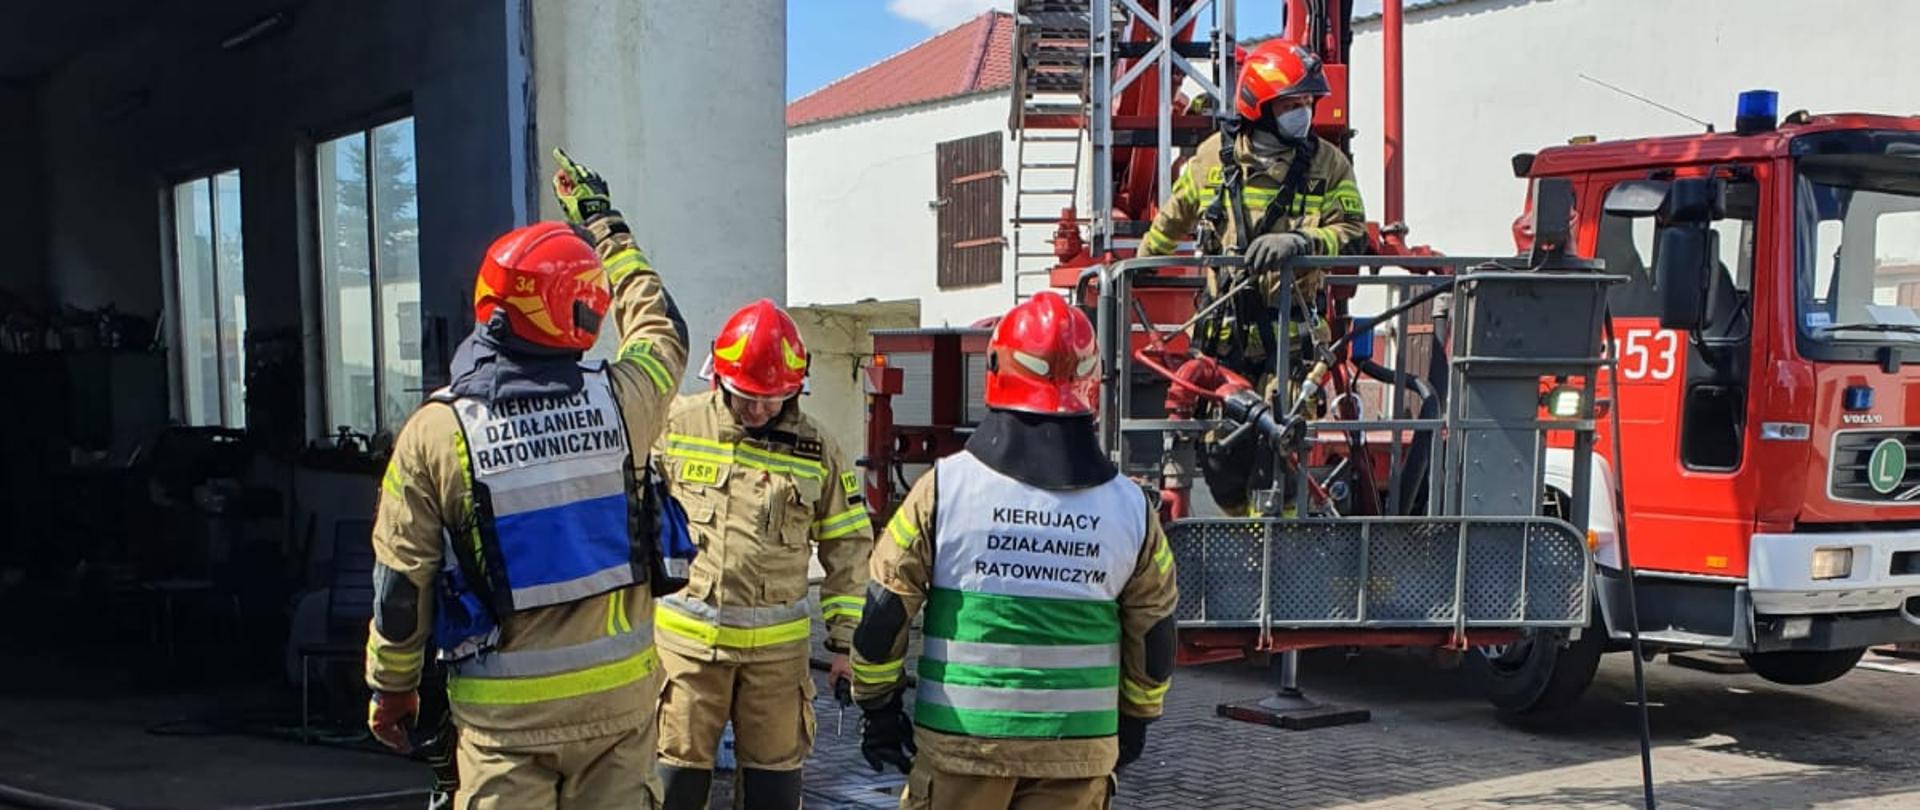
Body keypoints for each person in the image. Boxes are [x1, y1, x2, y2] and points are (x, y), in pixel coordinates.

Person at [365, 150, 687, 808]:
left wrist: (391, 686)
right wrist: (606, 226)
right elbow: (663, 329)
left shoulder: (436, 431)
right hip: (619, 710)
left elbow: (401, 590)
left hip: (502, 724)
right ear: (583, 315)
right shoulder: (626, 401)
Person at [851, 292, 1180, 810]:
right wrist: (1137, 719)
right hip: (1078, 752)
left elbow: (883, 609)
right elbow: (1155, 632)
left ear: (995, 370)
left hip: (965, 746)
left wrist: (879, 707)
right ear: (1090, 382)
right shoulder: (1132, 509)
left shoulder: (944, 491)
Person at [652, 299, 875, 809]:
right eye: (746, 396)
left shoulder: (817, 449)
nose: (758, 410)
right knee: (673, 787)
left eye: (772, 400)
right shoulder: (675, 428)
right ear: (719, 378)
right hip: (687, 657)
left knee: (774, 790)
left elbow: (848, 547)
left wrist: (844, 646)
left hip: (777, 664)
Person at [1137, 38, 1368, 515]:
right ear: (1259, 106)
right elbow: (1166, 229)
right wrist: (1127, 280)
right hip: (1224, 347)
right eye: (1291, 103)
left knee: (1281, 464)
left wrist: (1302, 244)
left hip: (1291, 351)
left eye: (1307, 103)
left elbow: (1353, 236)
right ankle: (1248, 549)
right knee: (1223, 464)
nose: (1303, 113)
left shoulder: (1327, 165)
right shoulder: (1208, 163)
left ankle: (1279, 566)